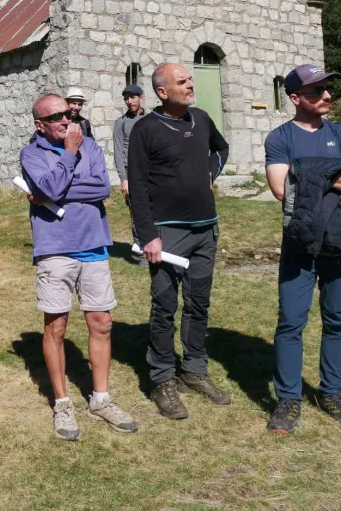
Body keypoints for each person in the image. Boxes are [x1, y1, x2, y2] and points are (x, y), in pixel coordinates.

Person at [264, 64, 341, 433]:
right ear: (295, 98)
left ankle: (333, 393)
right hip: (300, 241)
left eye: (327, 90)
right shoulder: (279, 138)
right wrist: (335, 175)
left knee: (338, 320)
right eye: (316, 92)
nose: (327, 96)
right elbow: (282, 189)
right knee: (291, 321)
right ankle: (288, 399)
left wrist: (310, 174)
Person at [21, 93, 138, 441]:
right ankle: (62, 402)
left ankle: (101, 399)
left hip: (93, 244)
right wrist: (69, 158)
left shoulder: (92, 146)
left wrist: (51, 192)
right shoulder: (32, 154)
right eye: (55, 116)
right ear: (39, 125)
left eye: (67, 114)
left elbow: (101, 187)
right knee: (56, 327)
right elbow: (50, 185)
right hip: (55, 248)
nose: (65, 120)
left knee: (101, 322)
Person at [128, 63, 230, 420]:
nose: (191, 85)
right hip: (168, 233)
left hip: (206, 230)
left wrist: (210, 172)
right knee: (165, 306)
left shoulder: (201, 119)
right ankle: (162, 379)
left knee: (199, 303)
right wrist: (148, 236)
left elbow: (220, 149)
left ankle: (195, 369)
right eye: (182, 81)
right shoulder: (146, 129)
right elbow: (137, 188)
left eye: (190, 79)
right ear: (162, 91)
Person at [111, 84, 146, 259]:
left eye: (133, 97)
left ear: (142, 97)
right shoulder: (121, 123)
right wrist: (124, 179)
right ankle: (140, 251)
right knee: (137, 212)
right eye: (126, 98)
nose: (129, 101)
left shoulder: (152, 119)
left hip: (153, 174)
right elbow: (118, 153)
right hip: (132, 176)